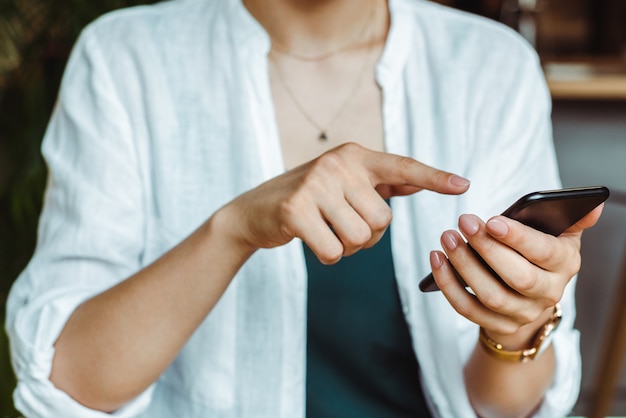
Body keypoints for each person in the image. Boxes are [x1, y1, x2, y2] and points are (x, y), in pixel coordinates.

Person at [5, 0, 603, 417]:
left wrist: (516, 326)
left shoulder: (489, 66)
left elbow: (508, 408)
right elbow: (69, 386)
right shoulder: (124, 59)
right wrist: (233, 229)